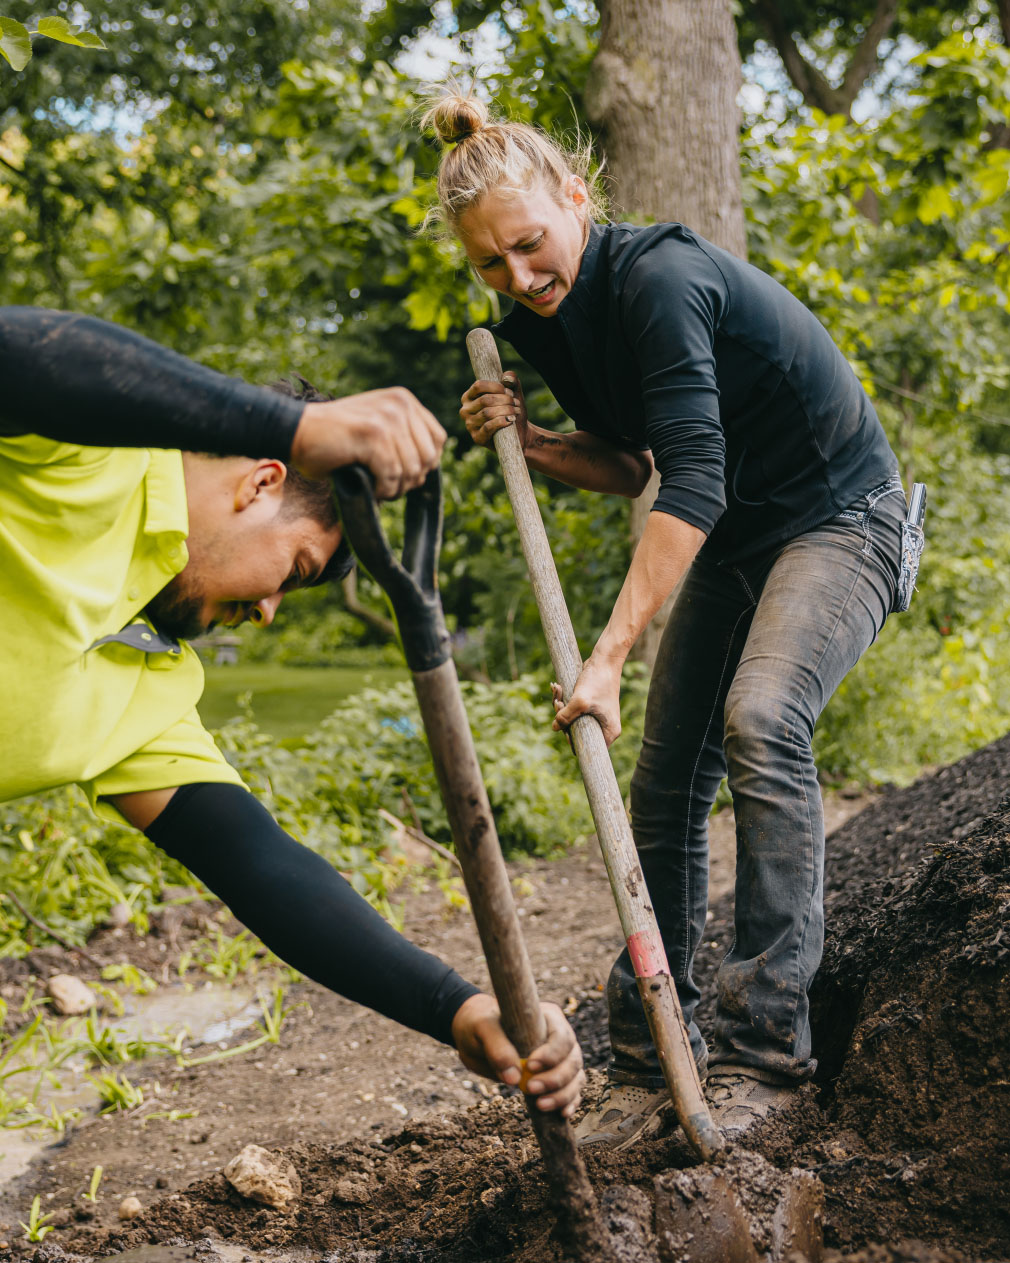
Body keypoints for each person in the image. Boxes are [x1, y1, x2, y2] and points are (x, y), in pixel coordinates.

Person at [425, 91, 906, 1148]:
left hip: (841, 517)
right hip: (739, 536)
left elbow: (691, 479)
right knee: (664, 779)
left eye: (528, 244)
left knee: (762, 719)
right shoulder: (546, 323)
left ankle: (764, 1052)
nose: (519, 276)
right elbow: (631, 463)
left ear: (575, 197)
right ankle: (653, 1053)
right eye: (491, 264)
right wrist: (534, 442)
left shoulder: (661, 278)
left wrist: (605, 657)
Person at [0, 305, 584, 1117]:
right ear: (263, 481)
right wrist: (293, 425)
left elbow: (261, 866)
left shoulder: (147, 683)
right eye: (297, 569)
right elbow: (21, 350)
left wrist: (456, 1007)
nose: (269, 611)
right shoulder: (92, 456)